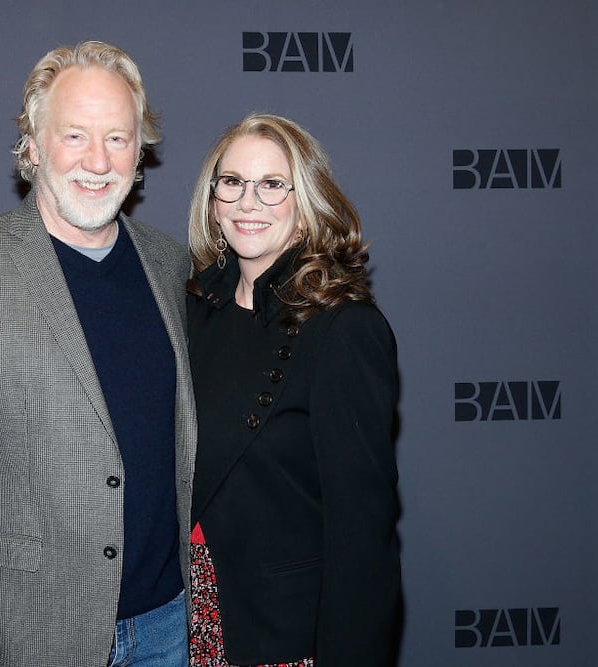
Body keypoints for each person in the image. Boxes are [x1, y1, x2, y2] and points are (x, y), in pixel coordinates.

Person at [0, 41, 196, 667]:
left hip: (171, 626)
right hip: (35, 636)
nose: (98, 160)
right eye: (75, 135)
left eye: (118, 138)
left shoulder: (170, 264)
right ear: (32, 145)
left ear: (141, 153)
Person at [185, 113, 401, 666]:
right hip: (187, 622)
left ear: (304, 207)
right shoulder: (191, 310)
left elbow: (362, 531)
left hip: (285, 634)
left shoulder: (343, 329)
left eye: (271, 185)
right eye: (231, 182)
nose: (246, 202)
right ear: (213, 199)